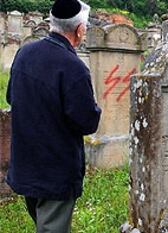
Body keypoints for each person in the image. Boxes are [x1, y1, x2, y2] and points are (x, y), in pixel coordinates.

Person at [6, 0, 101, 232]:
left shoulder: (24, 53)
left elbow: (11, 97)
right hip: (55, 173)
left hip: (26, 164)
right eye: (85, 27)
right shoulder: (74, 68)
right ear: (79, 30)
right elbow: (87, 121)